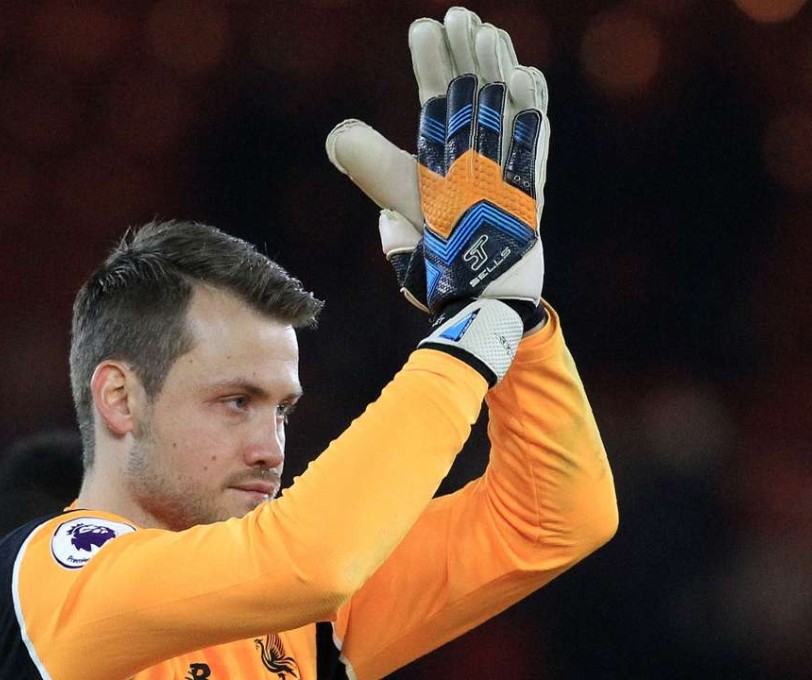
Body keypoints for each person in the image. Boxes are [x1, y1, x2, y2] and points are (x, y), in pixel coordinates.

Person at [0, 7, 617, 680]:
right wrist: (470, 337)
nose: (270, 449)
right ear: (121, 398)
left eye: (283, 410)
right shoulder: (62, 578)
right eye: (236, 401)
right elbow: (311, 561)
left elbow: (556, 517)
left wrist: (516, 318)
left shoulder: (294, 613)